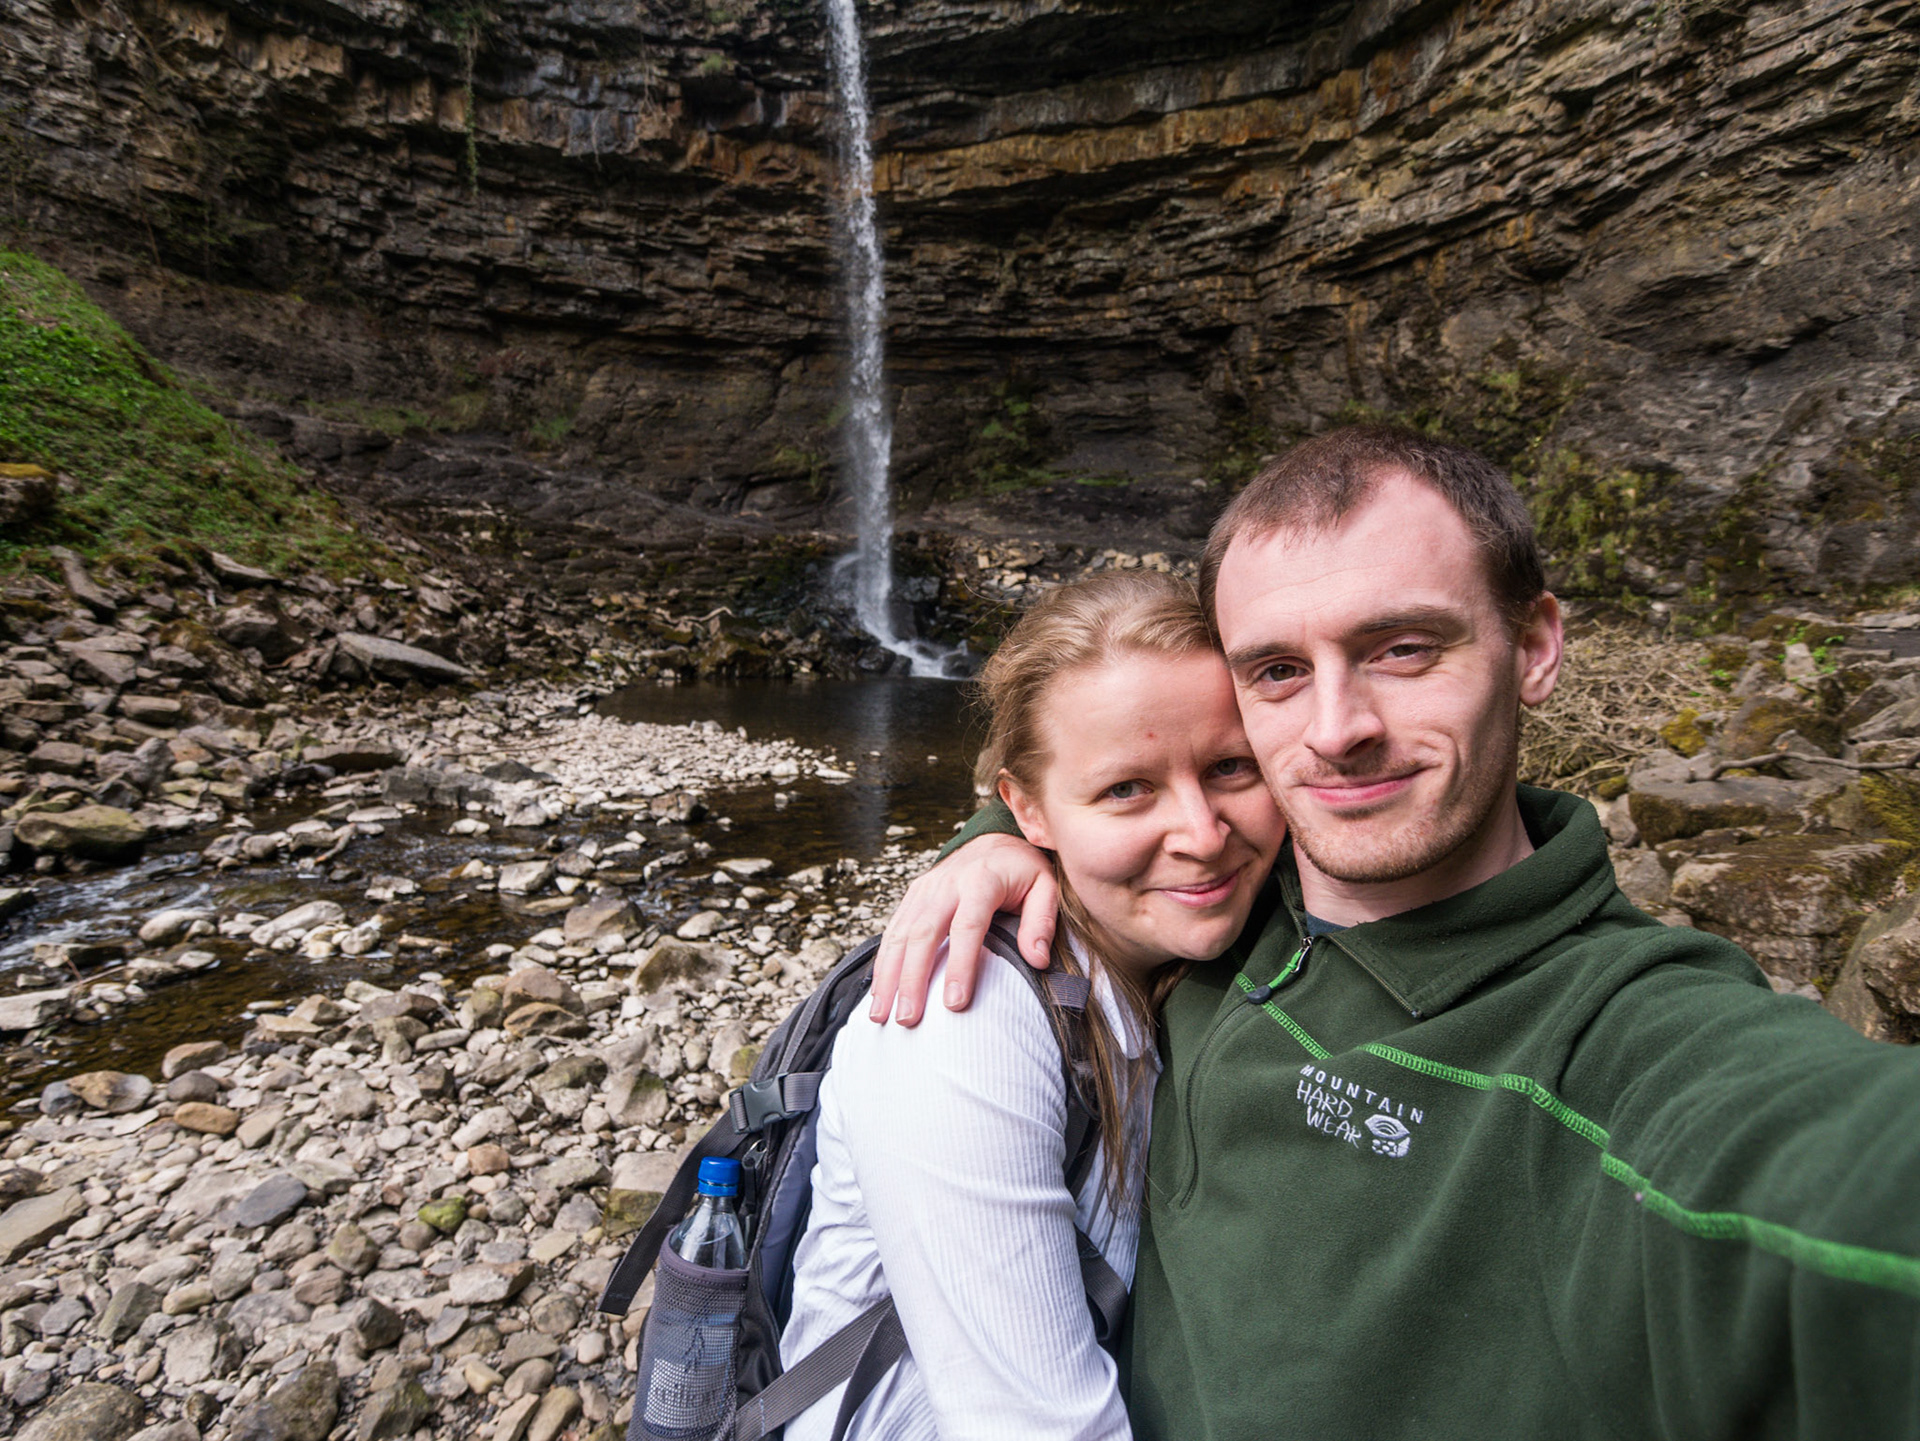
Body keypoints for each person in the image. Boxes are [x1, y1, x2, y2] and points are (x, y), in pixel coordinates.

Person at [872, 423, 1920, 1440]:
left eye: (1404, 648)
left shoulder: (1624, 1039)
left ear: (1537, 646)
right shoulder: (1220, 892)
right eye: (1278, 671)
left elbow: (1818, 1165)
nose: (1337, 731)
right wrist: (1003, 835)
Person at [778, 570, 1286, 1439]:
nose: (1203, 834)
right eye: (1127, 788)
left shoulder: (1211, 941)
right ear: (1026, 808)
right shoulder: (964, 1016)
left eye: (1231, 765)